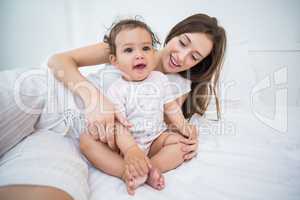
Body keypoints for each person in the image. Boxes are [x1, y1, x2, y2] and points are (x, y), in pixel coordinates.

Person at [0, 13, 226, 200]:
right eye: (183, 42)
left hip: (69, 141)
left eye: (194, 56)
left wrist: (187, 136)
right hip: (46, 96)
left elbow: (165, 125)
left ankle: (142, 170)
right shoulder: (131, 44)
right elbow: (57, 61)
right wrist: (95, 99)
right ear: (174, 34)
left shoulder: (178, 84)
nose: (181, 56)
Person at [75, 19, 198, 195]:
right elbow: (118, 126)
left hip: (155, 139)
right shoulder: (116, 89)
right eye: (129, 50)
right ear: (115, 61)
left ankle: (150, 168)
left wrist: (184, 127)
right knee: (87, 141)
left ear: (154, 53)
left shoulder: (160, 80)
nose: (139, 55)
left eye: (146, 48)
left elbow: (171, 108)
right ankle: (125, 171)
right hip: (124, 145)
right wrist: (131, 150)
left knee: (181, 145)